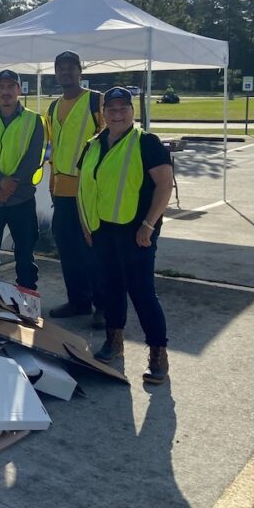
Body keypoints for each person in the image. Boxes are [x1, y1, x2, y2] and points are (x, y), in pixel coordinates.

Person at [77, 87, 175, 384]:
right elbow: (87, 188)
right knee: (110, 289)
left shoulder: (147, 143)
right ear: (103, 113)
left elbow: (165, 185)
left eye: (123, 108)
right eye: (111, 109)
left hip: (136, 232)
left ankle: (158, 353)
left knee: (142, 292)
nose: (117, 114)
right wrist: (87, 225)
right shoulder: (93, 145)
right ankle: (114, 341)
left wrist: (149, 224)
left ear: (132, 111)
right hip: (103, 230)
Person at [45, 51, 104, 325]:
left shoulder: (96, 101)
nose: (65, 72)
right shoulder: (53, 107)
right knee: (67, 250)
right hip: (63, 192)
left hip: (89, 192)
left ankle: (103, 306)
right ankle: (79, 301)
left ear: (81, 70)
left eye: (71, 68)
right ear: (55, 73)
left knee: (94, 251)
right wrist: (52, 183)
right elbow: (54, 148)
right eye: (60, 68)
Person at [0, 69, 45, 290]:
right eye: (2, 87)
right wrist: (0, 181)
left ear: (19, 90)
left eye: (11, 87)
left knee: (24, 254)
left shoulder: (34, 121)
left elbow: (34, 158)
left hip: (20, 198)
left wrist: (10, 186)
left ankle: (27, 299)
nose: (6, 92)